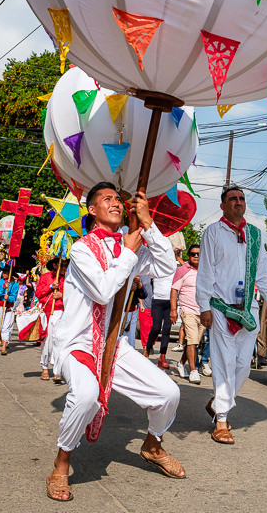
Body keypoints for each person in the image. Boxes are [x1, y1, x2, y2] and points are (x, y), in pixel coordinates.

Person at [46, 182, 185, 503]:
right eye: (106, 199)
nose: (115, 203)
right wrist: (129, 253)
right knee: (85, 396)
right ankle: (61, 463)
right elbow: (103, 291)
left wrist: (148, 226)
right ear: (92, 210)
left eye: (117, 199)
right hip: (77, 342)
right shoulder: (81, 248)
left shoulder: (128, 243)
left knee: (168, 393)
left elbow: (166, 266)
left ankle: (152, 444)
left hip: (113, 342)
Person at [196, 184, 267, 445]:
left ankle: (219, 401)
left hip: (248, 309)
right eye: (233, 199)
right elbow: (205, 271)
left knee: (243, 366)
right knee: (223, 363)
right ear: (223, 205)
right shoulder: (213, 233)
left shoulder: (254, 234)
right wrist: (204, 306)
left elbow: (263, 270)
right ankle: (221, 420)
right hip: (220, 308)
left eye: (241, 198)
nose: (238, 202)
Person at [171, 245, 204, 384]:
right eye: (193, 254)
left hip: (202, 311)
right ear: (189, 256)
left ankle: (180, 363)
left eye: (198, 254)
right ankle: (193, 371)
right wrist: (173, 310)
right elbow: (174, 290)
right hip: (187, 310)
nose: (196, 256)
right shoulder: (182, 270)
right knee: (192, 340)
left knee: (194, 342)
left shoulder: (206, 271)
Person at [35, 257, 69, 382]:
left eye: (66, 265)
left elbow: (75, 295)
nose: (64, 268)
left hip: (63, 312)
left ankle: (57, 368)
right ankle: (44, 367)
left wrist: (62, 295)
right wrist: (50, 286)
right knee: (47, 341)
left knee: (60, 341)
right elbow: (38, 294)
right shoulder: (45, 277)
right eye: (62, 265)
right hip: (48, 312)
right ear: (55, 265)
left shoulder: (70, 278)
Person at [143, 257, 177, 370]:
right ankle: (147, 349)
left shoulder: (173, 269)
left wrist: (176, 257)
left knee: (167, 330)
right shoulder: (155, 268)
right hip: (157, 301)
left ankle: (162, 357)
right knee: (156, 328)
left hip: (170, 302)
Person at [0, 266, 19, 354]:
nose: (4, 274)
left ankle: (4, 346)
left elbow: (14, 297)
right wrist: (4, 287)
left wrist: (9, 298)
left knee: (6, 327)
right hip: (0, 306)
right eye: (3, 273)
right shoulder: (0, 282)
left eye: (6, 273)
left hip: (9, 307)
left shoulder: (15, 284)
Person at [123, 275, 147, 348]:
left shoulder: (135, 278)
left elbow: (143, 295)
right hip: (118, 312)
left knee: (130, 339)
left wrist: (139, 283)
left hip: (131, 311)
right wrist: (127, 288)